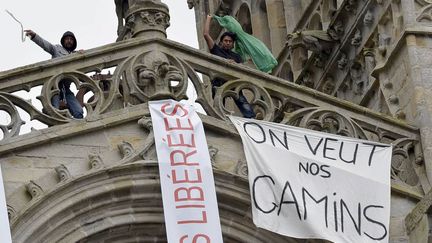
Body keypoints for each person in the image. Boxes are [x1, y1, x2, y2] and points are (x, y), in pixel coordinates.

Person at [204, 15, 255, 118]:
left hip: (233, 83)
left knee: (242, 101)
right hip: (219, 81)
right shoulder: (216, 50)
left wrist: (235, 64)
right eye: (225, 41)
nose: (227, 43)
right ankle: (218, 118)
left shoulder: (236, 56)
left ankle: (252, 119)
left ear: (232, 44)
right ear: (221, 42)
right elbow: (206, 34)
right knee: (217, 103)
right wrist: (209, 18)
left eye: (230, 41)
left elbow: (242, 69)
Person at [24, 29, 84, 119]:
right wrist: (34, 36)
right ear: (63, 41)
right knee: (55, 112)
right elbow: (45, 45)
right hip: (54, 87)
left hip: (66, 90)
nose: (69, 41)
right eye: (67, 39)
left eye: (71, 39)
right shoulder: (57, 49)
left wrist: (82, 55)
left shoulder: (76, 54)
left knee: (78, 111)